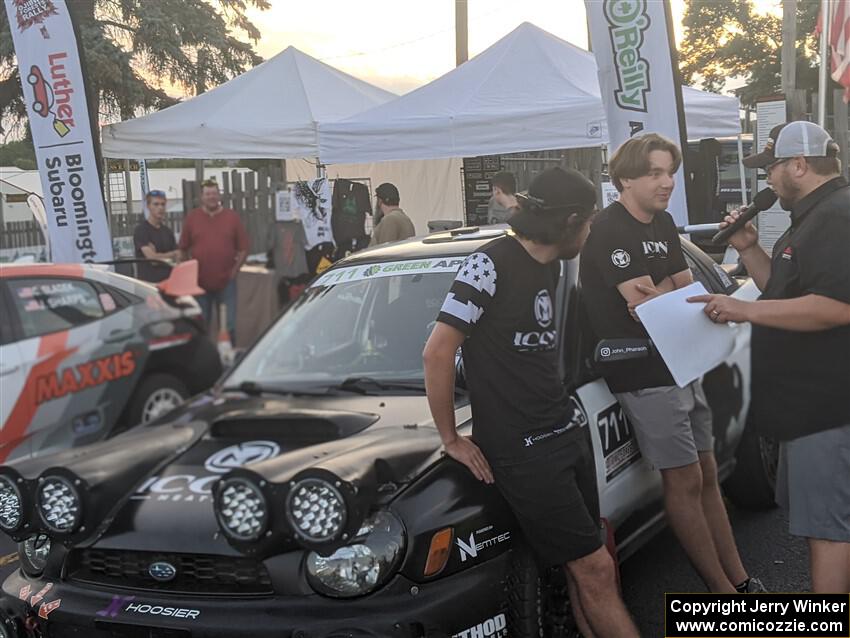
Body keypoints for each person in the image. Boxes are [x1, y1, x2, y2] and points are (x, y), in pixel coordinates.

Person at [424, 167, 639, 637]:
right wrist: (450, 438)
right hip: (524, 452)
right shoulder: (489, 264)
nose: (590, 232)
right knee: (595, 570)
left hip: (564, 431)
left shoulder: (554, 265)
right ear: (570, 221)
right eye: (588, 224)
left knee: (589, 567)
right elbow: (438, 351)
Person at [580, 133, 762, 594]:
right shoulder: (610, 228)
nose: (668, 182)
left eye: (670, 172)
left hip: (680, 360)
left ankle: (741, 581)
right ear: (624, 178)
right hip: (642, 371)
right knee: (683, 479)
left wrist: (662, 294)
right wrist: (665, 295)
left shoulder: (660, 223)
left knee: (705, 472)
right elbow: (648, 305)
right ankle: (722, 593)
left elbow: (683, 291)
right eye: (655, 173)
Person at [688, 121, 850, 593]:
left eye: (773, 167)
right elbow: (783, 293)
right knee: (826, 526)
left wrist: (740, 309)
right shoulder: (813, 216)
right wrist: (750, 247)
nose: (768, 180)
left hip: (827, 410)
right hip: (809, 411)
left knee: (828, 531)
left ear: (800, 165)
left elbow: (838, 305)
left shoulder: (835, 216)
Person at [179, 179, 250, 343]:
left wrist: (234, 271)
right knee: (201, 326)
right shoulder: (192, 218)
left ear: (219, 195)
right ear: (201, 197)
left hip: (227, 284)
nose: (211, 197)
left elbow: (244, 248)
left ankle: (229, 362)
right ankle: (204, 362)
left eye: (214, 193)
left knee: (229, 326)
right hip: (200, 285)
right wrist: (189, 273)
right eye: (207, 194)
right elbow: (182, 248)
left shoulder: (232, 217)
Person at [133, 190, 179, 283]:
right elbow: (153, 259)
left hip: (168, 283)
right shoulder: (141, 230)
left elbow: (178, 257)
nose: (160, 208)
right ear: (148, 206)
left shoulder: (168, 232)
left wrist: (160, 256)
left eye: (163, 204)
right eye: (156, 204)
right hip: (149, 285)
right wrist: (171, 255)